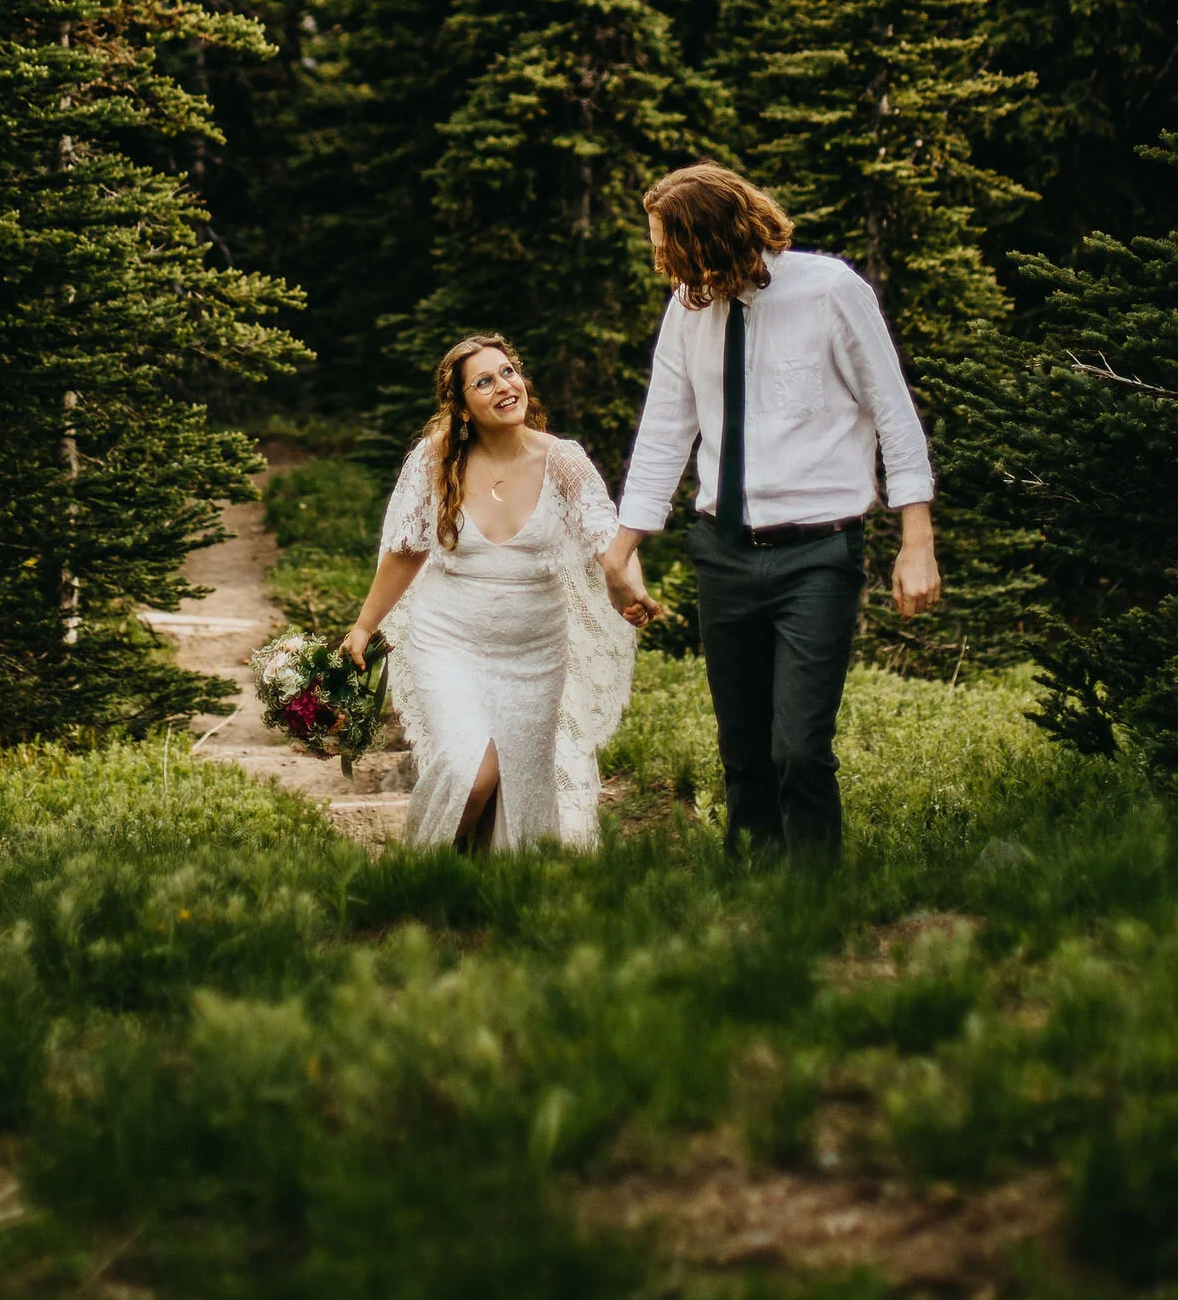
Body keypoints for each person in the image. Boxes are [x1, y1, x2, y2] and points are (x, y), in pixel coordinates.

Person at [602, 162, 941, 858]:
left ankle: (813, 905)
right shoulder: (688, 308)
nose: (663, 264)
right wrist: (621, 549)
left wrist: (917, 539)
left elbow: (894, 413)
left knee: (799, 749)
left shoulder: (831, 291)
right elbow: (666, 431)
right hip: (721, 553)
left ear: (716, 238)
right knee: (744, 751)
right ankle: (752, 899)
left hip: (818, 553)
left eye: (670, 247)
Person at [341, 335, 648, 850]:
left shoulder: (564, 461)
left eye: (508, 372)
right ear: (461, 407)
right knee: (471, 772)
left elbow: (606, 536)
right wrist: (364, 626)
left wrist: (630, 589)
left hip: (535, 655)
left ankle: (490, 894)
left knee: (523, 790)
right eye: (484, 381)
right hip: (449, 642)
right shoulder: (435, 460)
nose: (505, 386)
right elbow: (405, 550)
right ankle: (426, 874)